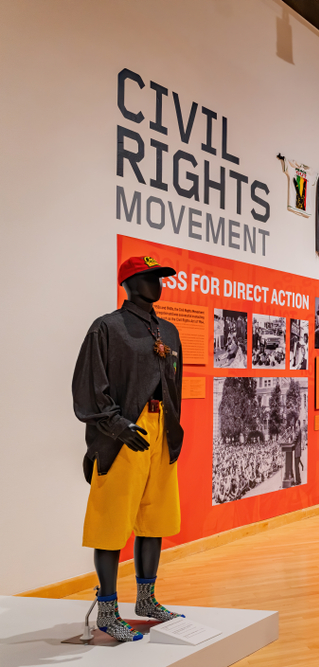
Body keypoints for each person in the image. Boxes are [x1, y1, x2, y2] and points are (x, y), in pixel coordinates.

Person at [72, 255, 185, 642]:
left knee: (154, 520)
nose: (159, 283)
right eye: (152, 277)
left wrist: (174, 430)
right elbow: (90, 390)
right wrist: (118, 426)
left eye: (160, 277)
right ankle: (107, 612)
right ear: (131, 282)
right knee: (111, 526)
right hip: (122, 436)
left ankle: (147, 600)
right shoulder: (107, 328)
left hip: (160, 433)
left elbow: (175, 386)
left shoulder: (168, 333)